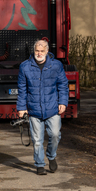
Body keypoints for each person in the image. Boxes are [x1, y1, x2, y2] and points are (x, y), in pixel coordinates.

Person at [17, 39, 69, 175]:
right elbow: (22, 89)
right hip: (34, 109)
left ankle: (51, 156)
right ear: (33, 51)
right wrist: (21, 108)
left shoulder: (56, 65)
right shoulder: (25, 66)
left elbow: (63, 85)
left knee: (55, 135)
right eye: (37, 51)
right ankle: (40, 164)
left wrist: (63, 102)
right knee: (37, 140)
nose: (39, 53)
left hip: (52, 108)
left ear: (47, 51)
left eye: (42, 51)